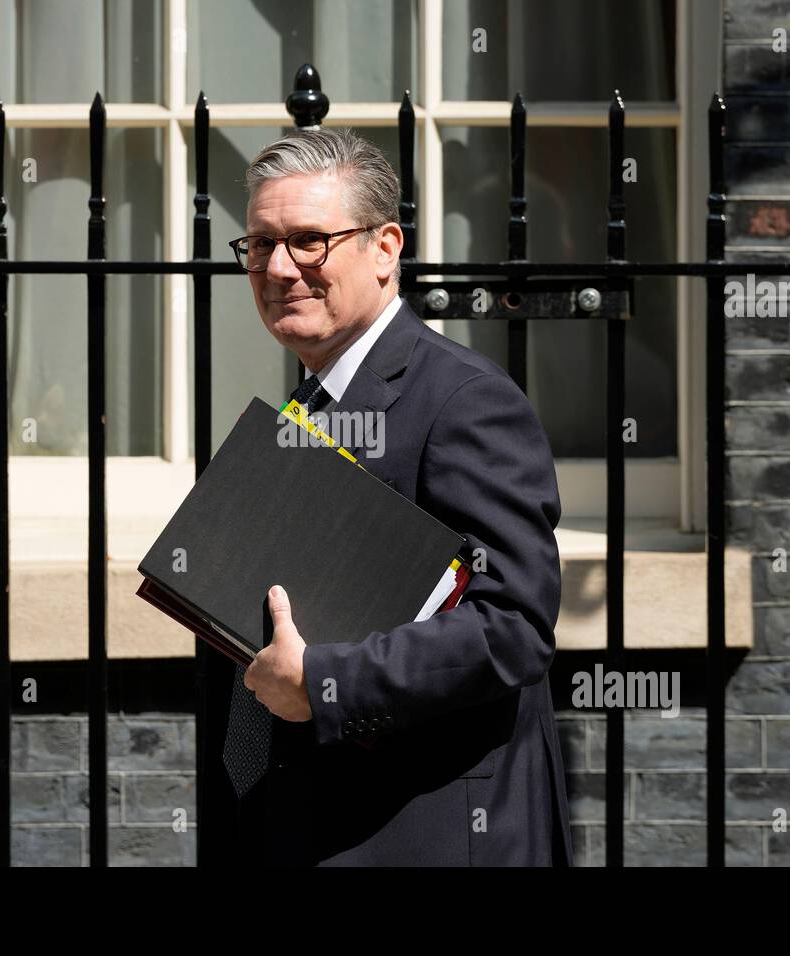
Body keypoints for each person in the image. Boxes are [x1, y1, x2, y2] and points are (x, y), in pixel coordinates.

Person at [225, 127, 571, 866]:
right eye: (259, 244)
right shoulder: (309, 406)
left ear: (385, 249)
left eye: (309, 241)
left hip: (427, 835)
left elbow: (512, 627)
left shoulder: (466, 401)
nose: (280, 268)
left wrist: (320, 682)